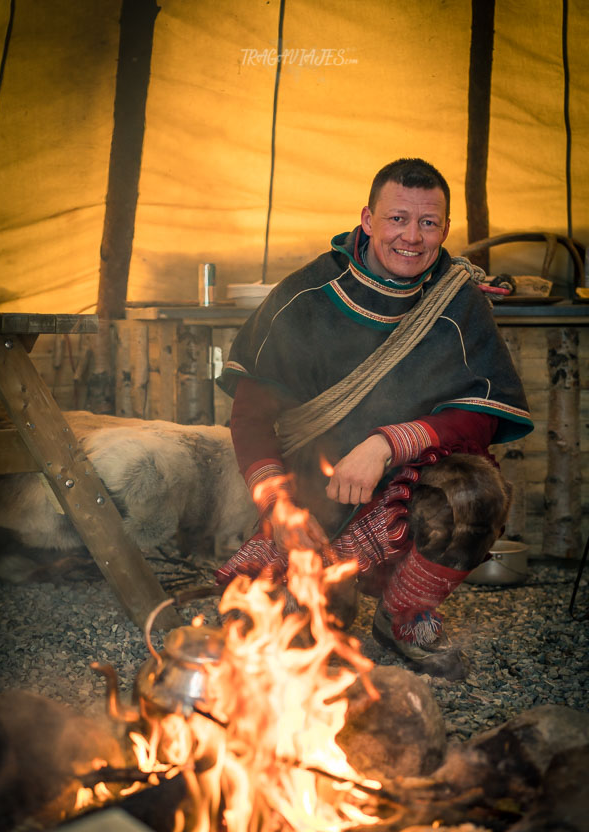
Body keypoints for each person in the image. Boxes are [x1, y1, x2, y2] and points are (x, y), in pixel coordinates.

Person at [215, 158, 533, 680]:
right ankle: (327, 595)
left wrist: (386, 443)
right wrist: (281, 509)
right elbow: (250, 419)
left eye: (428, 223)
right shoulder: (305, 298)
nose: (412, 236)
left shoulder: (460, 302)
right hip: (317, 497)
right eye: (397, 219)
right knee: (293, 641)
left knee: (478, 492)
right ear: (366, 219)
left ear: (445, 229)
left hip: (412, 484)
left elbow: (480, 419)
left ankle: (404, 615)